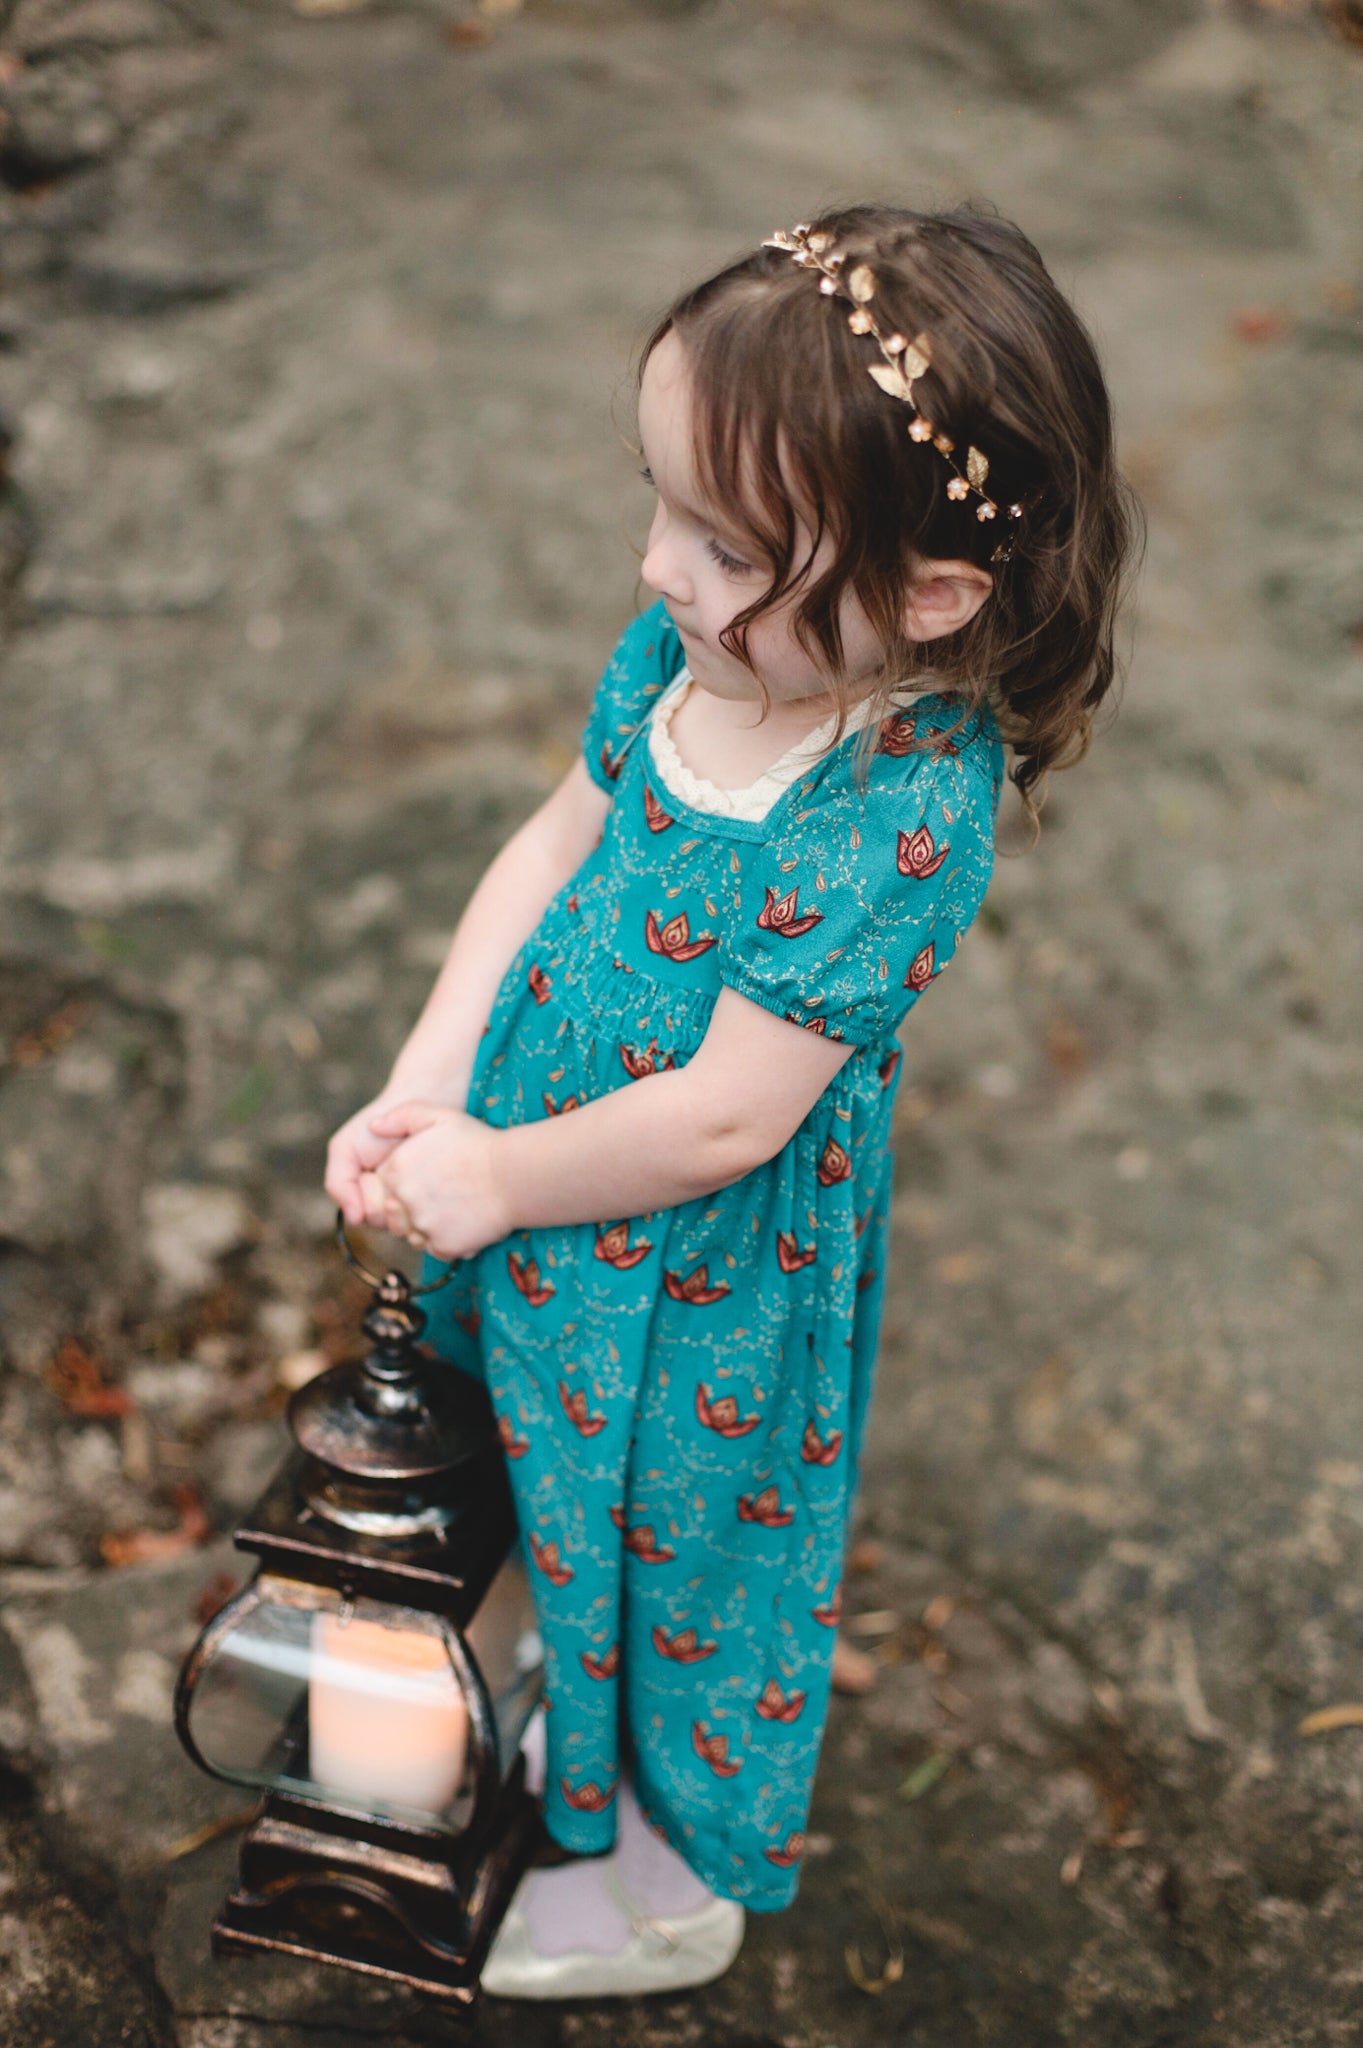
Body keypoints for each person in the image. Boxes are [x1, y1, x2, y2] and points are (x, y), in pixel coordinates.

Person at [324, 203, 1140, 2000]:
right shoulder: (694, 665)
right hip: (526, 1187)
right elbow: (557, 838)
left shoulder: (903, 809)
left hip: (694, 1272)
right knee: (534, 1484)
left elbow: (726, 1119)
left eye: (727, 540)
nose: (656, 570)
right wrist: (429, 1075)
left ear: (933, 594)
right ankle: (562, 1729)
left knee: (684, 1554)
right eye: (663, 501)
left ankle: (670, 1884)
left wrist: (502, 1177)